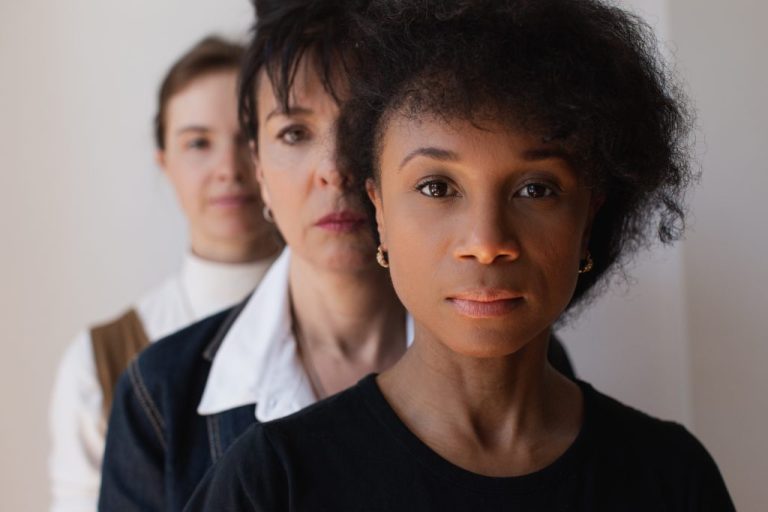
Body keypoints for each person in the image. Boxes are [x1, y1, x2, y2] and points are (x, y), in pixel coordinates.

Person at [185, 0, 735, 510]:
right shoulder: (270, 482)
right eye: (437, 187)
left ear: (588, 216)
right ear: (379, 210)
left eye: (535, 189)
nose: (486, 242)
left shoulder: (672, 478)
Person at [97, 2, 576, 511]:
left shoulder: (517, 348)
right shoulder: (163, 392)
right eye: (294, 133)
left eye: (361, 127)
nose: (335, 168)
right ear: (258, 167)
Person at [48, 36, 280, 512]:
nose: (228, 168)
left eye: (248, 137)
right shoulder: (99, 361)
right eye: (198, 143)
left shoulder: (366, 324)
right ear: (164, 163)